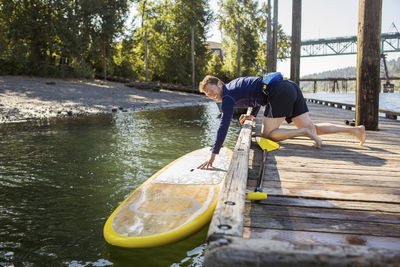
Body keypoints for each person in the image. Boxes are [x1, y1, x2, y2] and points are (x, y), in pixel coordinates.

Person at [197, 74, 366, 170]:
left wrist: (214, 153)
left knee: (268, 135)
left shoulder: (227, 96)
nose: (212, 96)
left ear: (219, 84)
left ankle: (304, 133)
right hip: (290, 86)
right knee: (312, 126)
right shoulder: (234, 86)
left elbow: (223, 125)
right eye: (209, 95)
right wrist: (252, 115)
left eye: (212, 91)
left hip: (278, 92)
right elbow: (254, 95)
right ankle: (355, 130)